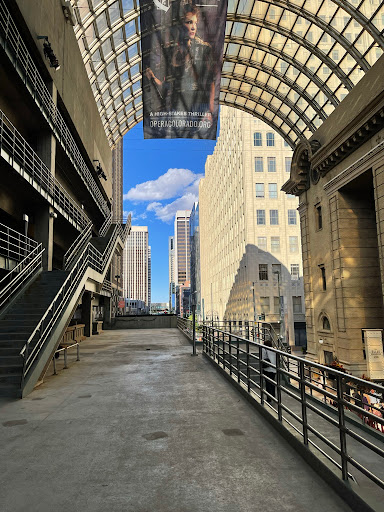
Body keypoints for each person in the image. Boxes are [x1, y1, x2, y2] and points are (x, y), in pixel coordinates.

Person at [144, 4, 215, 136]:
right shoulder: (171, 53)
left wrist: (210, 111)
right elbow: (168, 86)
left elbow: (211, 82)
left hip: (197, 108)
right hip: (178, 110)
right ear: (179, 25)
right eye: (189, 22)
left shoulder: (204, 49)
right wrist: (153, 78)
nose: (193, 27)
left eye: (195, 22)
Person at [261, 338, 277, 403]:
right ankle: (273, 396)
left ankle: (269, 399)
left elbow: (262, 358)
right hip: (274, 369)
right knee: (272, 383)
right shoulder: (274, 350)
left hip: (267, 369)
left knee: (268, 384)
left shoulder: (264, 349)